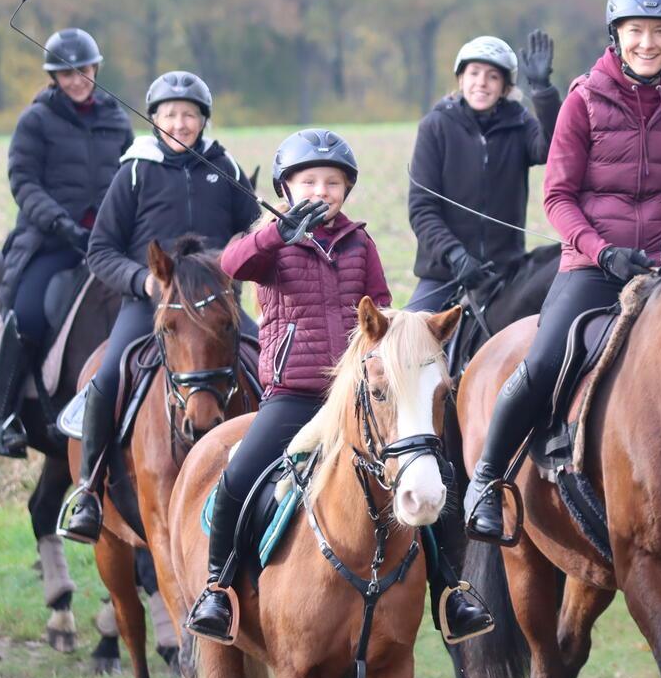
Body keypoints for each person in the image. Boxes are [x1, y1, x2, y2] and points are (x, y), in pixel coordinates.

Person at [185, 129, 493, 643]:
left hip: (358, 397)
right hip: (295, 394)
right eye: (309, 182)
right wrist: (278, 232)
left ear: (346, 190)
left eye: (332, 183)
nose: (321, 191)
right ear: (286, 188)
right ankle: (219, 589)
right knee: (239, 477)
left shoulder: (360, 242)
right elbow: (232, 265)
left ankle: (451, 591)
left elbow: (381, 307)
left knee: (433, 474)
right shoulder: (270, 244)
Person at [462, 0, 661, 542]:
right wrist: (602, 253)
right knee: (545, 359)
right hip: (594, 266)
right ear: (615, 35)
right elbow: (557, 195)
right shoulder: (583, 100)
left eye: (659, 32)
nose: (647, 43)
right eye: (636, 31)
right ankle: (485, 481)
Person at [62, 70, 257, 542]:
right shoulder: (135, 169)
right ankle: (89, 490)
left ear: (203, 120)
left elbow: (252, 233)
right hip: (154, 302)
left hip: (215, 305)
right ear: (153, 120)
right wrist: (142, 281)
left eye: (189, 114)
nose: (180, 123)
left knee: (268, 365)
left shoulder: (224, 168)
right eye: (170, 114)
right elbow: (100, 249)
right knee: (108, 376)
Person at [0, 27, 132, 458]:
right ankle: (2, 419)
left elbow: (126, 180)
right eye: (65, 73)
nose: (76, 79)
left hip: (105, 243)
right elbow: (24, 182)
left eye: (82, 70)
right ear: (54, 77)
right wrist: (62, 224)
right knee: (28, 314)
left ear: (95, 68)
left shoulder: (116, 119)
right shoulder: (36, 120)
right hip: (48, 240)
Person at [404, 31, 561, 312]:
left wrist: (543, 91)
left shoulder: (520, 124)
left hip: (504, 274)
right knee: (405, 343)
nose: (482, 83)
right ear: (460, 79)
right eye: (474, 73)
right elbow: (422, 209)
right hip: (444, 273)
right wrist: (455, 255)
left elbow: (554, 147)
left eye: (493, 76)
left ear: (504, 87)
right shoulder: (435, 127)